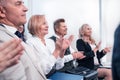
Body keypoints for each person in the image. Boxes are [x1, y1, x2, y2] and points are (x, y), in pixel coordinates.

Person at [0, 0, 46, 80]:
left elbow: (36, 70)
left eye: (23, 3)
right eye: (18, 4)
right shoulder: (3, 41)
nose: (26, 8)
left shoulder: (16, 36)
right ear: (1, 11)